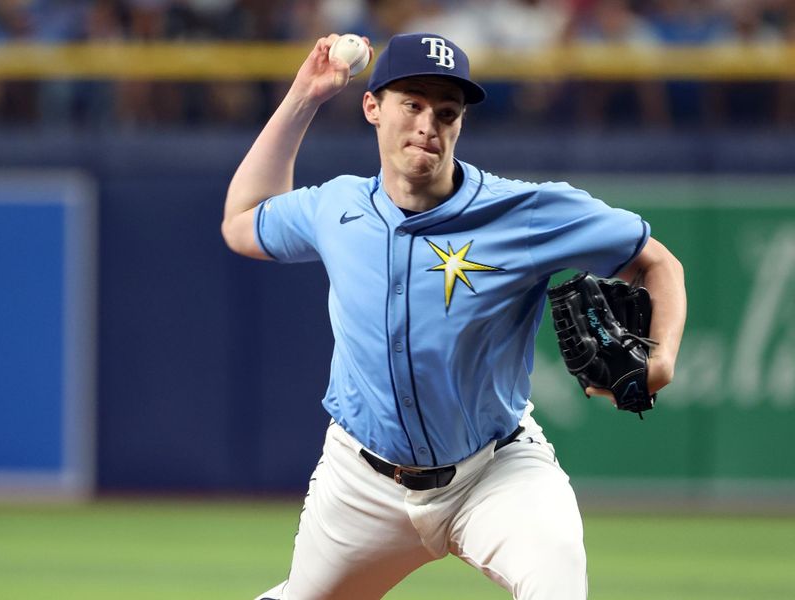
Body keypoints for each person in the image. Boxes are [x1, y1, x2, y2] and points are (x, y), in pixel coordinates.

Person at [222, 32, 686, 600]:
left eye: (446, 112)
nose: (428, 125)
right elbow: (242, 222)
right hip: (361, 484)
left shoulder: (524, 212)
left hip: (496, 472)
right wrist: (304, 97)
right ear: (373, 107)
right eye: (411, 104)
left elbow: (658, 262)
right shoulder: (336, 206)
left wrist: (660, 358)